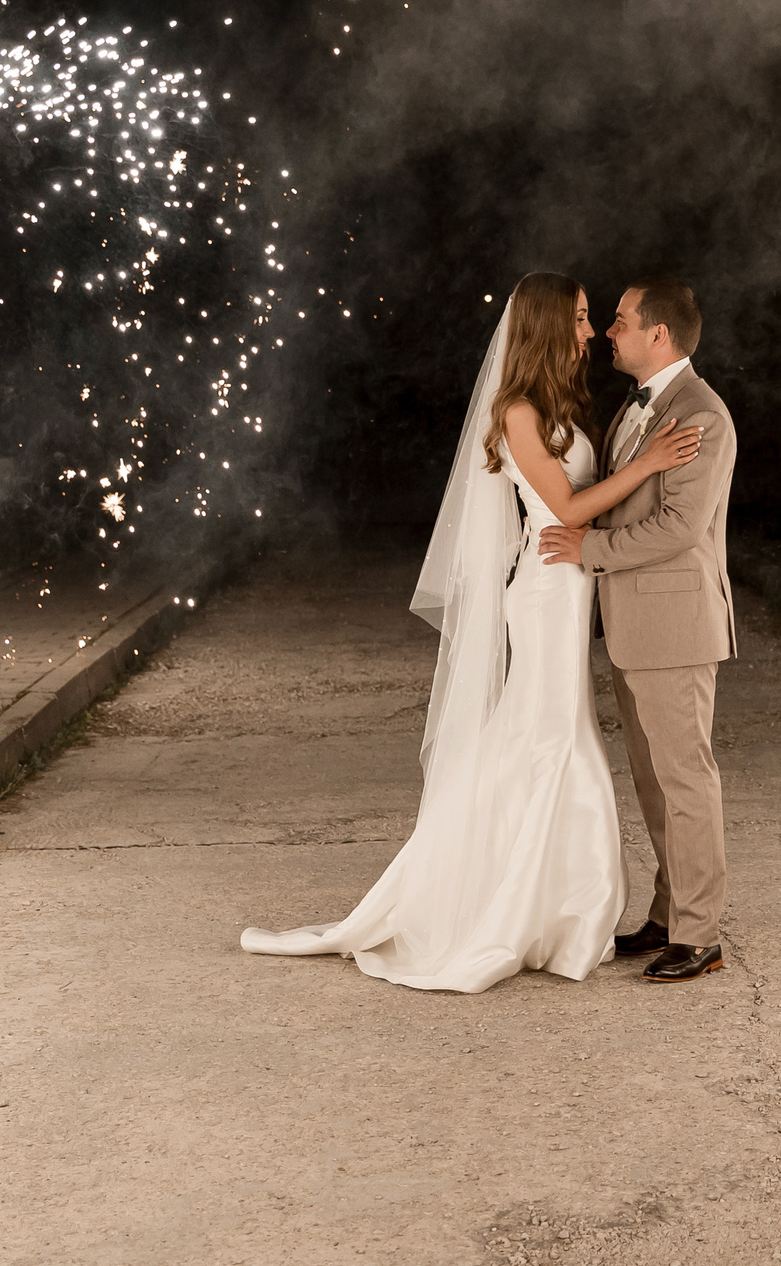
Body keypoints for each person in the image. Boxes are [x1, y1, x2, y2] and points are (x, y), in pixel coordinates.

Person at [238, 273, 702, 992]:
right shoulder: (518, 410)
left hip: (570, 585)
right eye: (581, 318)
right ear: (548, 327)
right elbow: (568, 508)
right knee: (549, 739)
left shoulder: (557, 405)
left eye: (596, 318)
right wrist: (646, 464)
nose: (591, 331)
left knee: (553, 734)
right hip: (548, 590)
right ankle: (523, 912)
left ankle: (552, 908)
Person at [538, 277, 738, 983]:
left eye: (618, 321)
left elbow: (680, 527)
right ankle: (668, 910)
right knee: (655, 780)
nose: (607, 333)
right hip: (635, 622)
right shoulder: (638, 404)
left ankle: (700, 932)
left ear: (659, 334)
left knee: (685, 776)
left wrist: (587, 549)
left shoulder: (700, 414)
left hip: (674, 623)